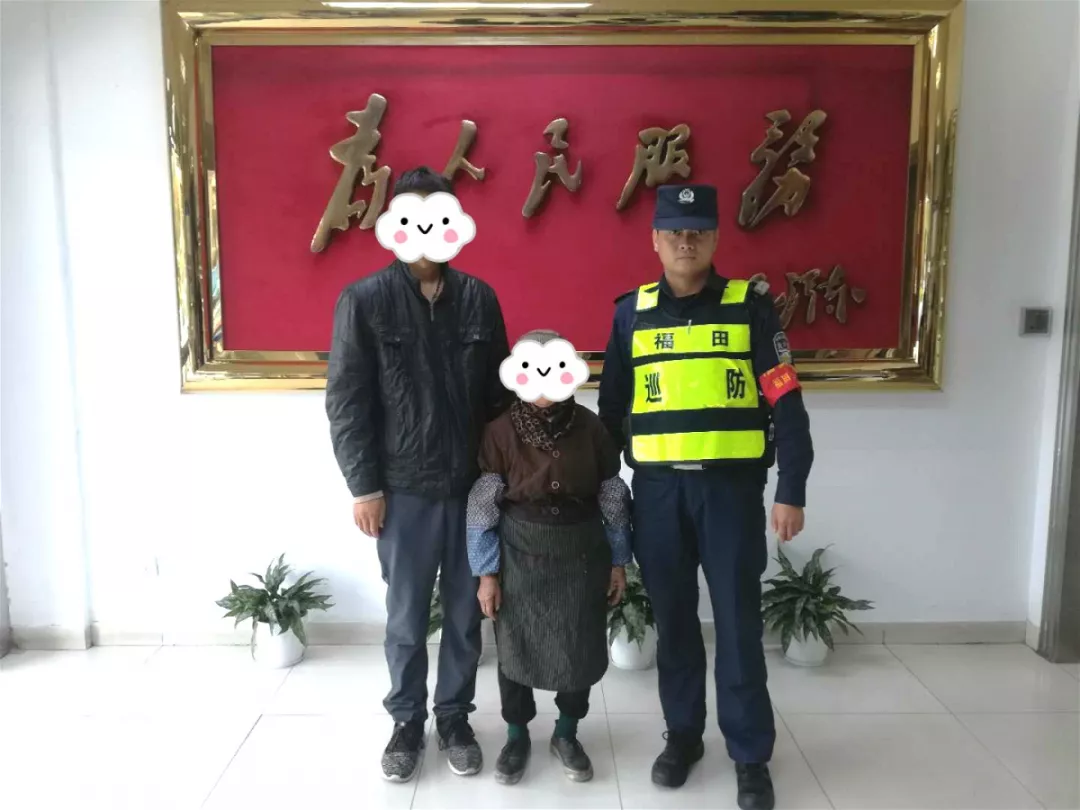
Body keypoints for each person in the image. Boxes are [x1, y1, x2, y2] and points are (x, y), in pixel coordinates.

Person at [597, 184, 813, 810]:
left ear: (715, 238)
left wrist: (791, 487)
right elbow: (610, 413)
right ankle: (684, 736)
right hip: (658, 494)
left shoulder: (751, 309)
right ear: (655, 240)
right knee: (674, 623)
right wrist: (603, 496)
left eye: (697, 231)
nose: (685, 242)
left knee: (740, 625)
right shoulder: (630, 313)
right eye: (674, 232)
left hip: (730, 494)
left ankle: (749, 754)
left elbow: (787, 403)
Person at [326, 166, 511, 783]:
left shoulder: (480, 299)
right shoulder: (365, 300)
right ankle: (406, 721)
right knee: (406, 617)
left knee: (465, 614)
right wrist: (364, 486)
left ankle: (454, 717)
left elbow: (500, 401)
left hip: (471, 490)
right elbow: (347, 401)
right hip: (402, 490)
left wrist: (503, 483)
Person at [465, 329, 632, 785]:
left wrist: (618, 561)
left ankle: (566, 733)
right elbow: (482, 506)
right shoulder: (499, 431)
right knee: (515, 647)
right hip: (519, 555)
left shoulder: (592, 428)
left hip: (581, 555)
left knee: (579, 646)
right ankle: (516, 736)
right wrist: (487, 574)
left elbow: (612, 494)